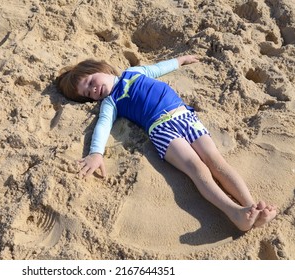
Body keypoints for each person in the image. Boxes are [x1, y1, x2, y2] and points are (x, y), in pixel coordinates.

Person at [55, 55, 277, 231]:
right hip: (161, 129)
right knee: (197, 168)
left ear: (102, 69)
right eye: (88, 94)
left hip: (185, 116)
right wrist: (96, 153)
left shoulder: (133, 72)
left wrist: (180, 61)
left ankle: (251, 207)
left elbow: (157, 68)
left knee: (215, 160)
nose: (94, 91)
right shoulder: (111, 103)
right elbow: (102, 126)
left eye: (91, 82)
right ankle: (235, 213)